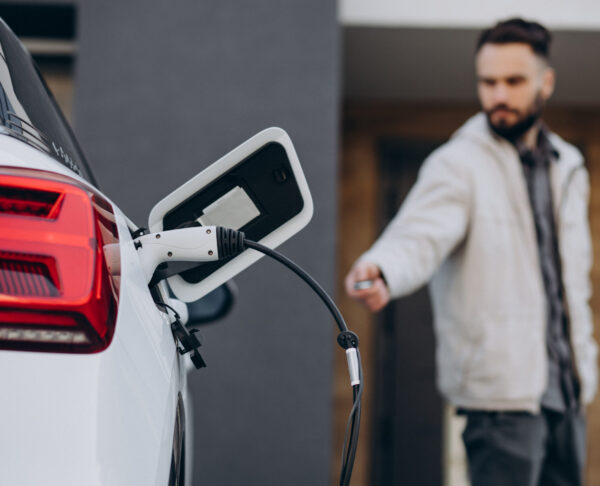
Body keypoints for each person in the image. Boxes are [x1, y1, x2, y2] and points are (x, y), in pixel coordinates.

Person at [344, 18, 597, 486]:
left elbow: (572, 284)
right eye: (488, 82)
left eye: (513, 81)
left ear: (546, 82)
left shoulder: (568, 167)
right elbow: (417, 235)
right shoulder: (457, 163)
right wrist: (383, 268)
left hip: (568, 391)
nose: (498, 94)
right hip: (499, 401)